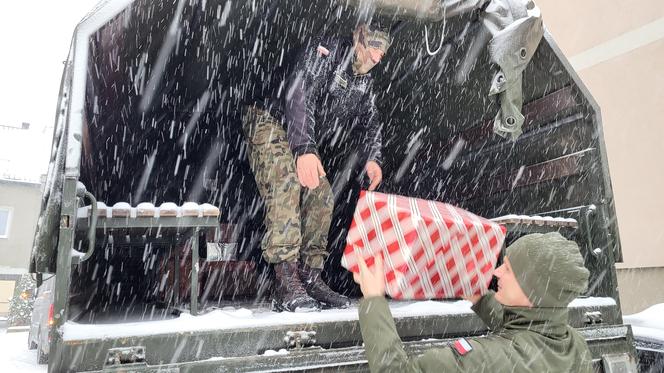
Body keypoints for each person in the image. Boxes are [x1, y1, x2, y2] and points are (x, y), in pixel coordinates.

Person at [242, 22, 392, 312]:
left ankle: (310, 277)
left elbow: (369, 122)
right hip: (270, 118)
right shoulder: (325, 51)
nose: (376, 57)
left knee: (321, 194)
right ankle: (285, 280)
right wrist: (304, 149)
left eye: (382, 52)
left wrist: (373, 157)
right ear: (357, 37)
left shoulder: (363, 81)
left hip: (301, 136)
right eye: (372, 47)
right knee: (286, 181)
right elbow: (299, 95)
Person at [352, 232, 594, 372]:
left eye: (508, 270)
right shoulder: (574, 344)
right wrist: (478, 296)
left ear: (533, 290)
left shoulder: (481, 360)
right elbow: (525, 333)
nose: (497, 272)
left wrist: (373, 298)